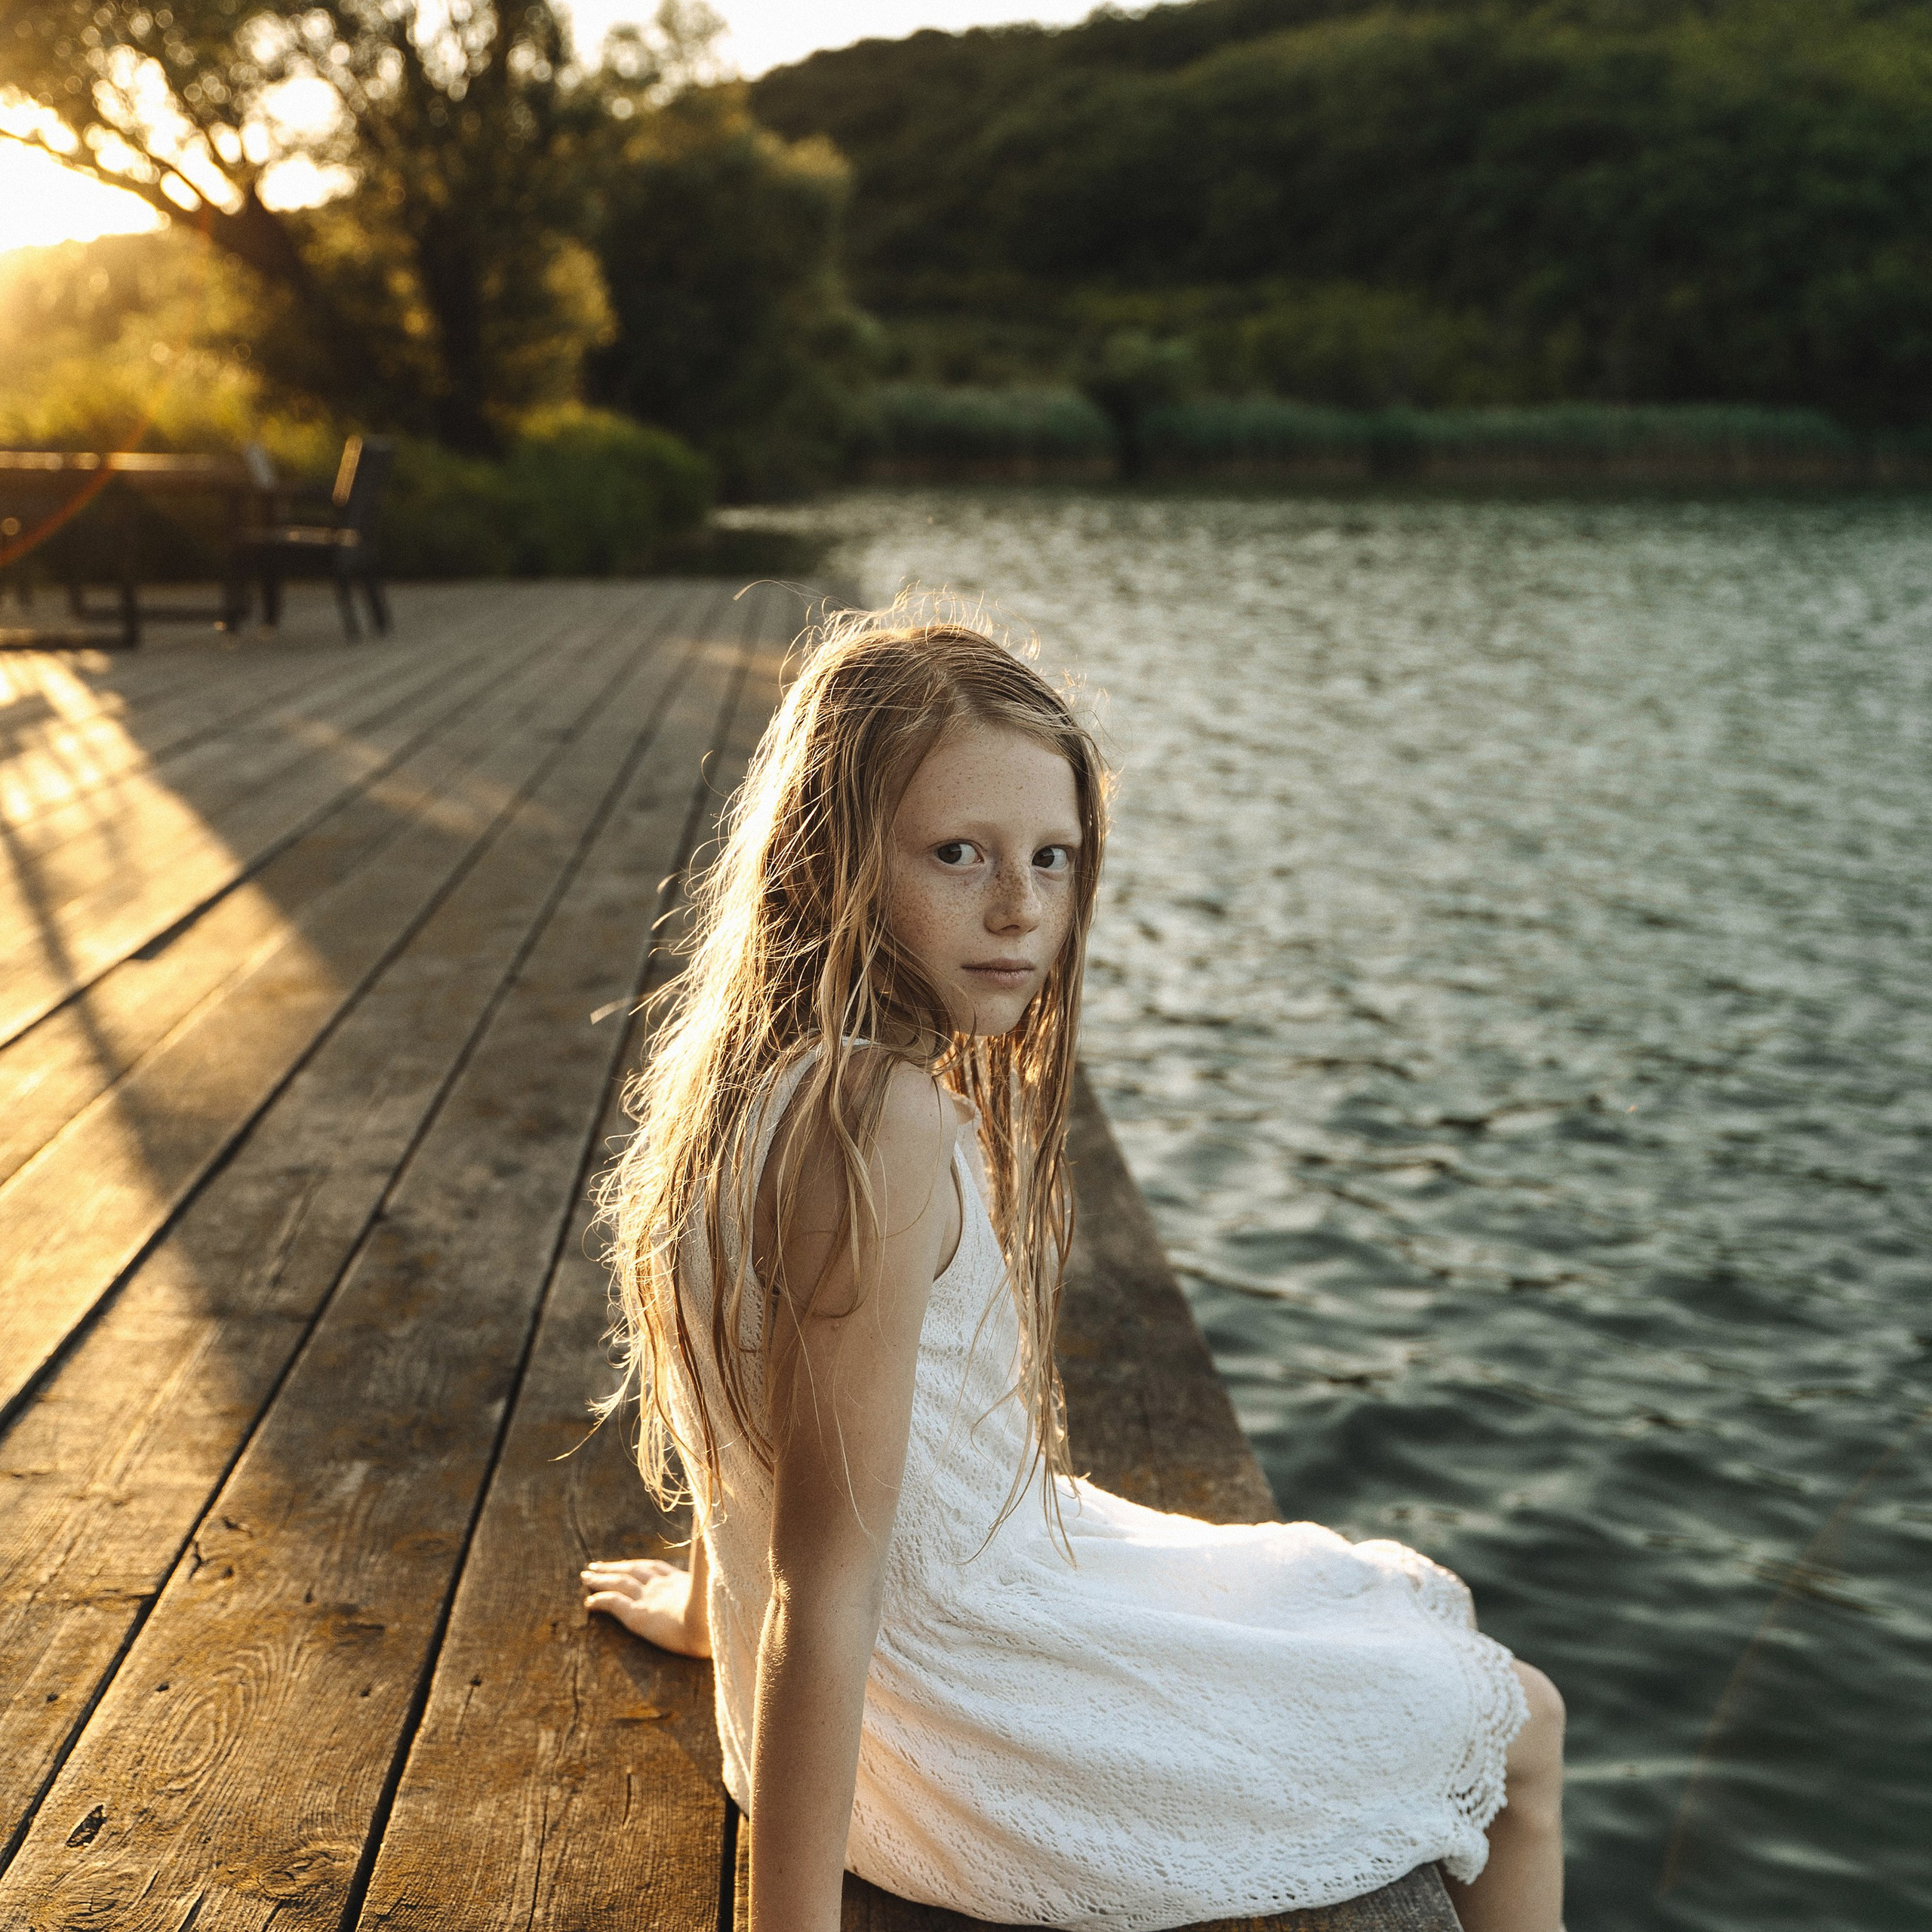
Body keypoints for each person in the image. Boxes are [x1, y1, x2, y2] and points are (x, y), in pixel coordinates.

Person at [583, 614, 1565, 1932]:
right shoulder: (883, 1120)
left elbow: (755, 1430)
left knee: (1369, 1615)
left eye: (1052, 857)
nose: (1021, 908)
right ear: (826, 863)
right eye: (958, 855)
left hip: (909, 1668)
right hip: (961, 1717)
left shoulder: (746, 1081)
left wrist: (714, 1615)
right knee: (1526, 1731)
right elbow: (827, 1584)